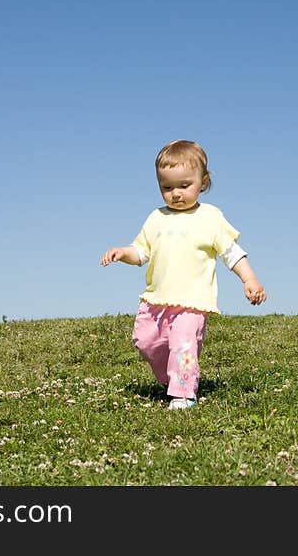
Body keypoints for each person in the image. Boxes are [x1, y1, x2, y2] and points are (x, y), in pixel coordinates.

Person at [100, 139, 266, 408]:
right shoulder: (157, 218)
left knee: (183, 344)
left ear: (203, 182)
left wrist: (250, 279)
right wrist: (122, 253)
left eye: (184, 185)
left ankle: (183, 392)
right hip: (156, 301)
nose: (176, 193)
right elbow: (140, 252)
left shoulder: (211, 218)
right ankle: (172, 378)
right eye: (167, 187)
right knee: (145, 342)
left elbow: (232, 252)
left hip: (191, 302)